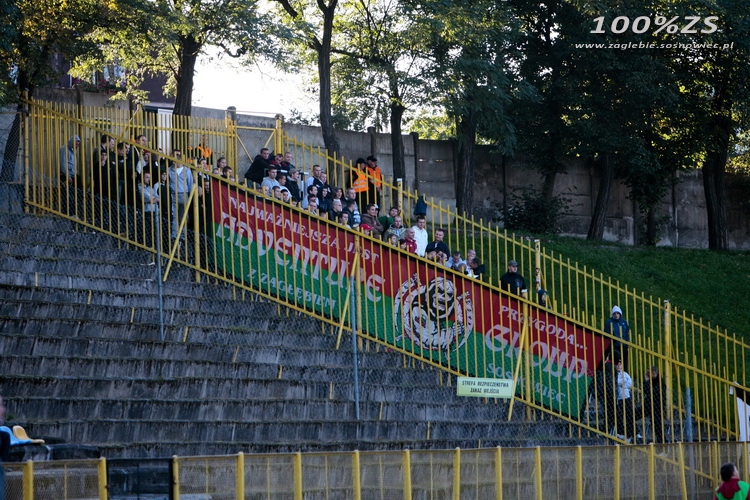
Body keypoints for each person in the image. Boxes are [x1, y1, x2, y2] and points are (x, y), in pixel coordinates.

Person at [637, 366, 666, 444]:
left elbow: (652, 393)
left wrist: (647, 382)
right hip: (649, 405)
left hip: (657, 406)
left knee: (657, 423)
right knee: (634, 415)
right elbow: (646, 391)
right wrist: (646, 381)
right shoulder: (651, 381)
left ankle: (661, 440)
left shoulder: (660, 382)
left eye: (649, 373)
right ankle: (634, 433)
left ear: (654, 373)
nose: (648, 375)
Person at [614, 353, 637, 441]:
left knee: (629, 415)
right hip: (619, 399)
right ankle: (622, 433)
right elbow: (617, 382)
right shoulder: (615, 374)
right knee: (620, 416)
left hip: (627, 398)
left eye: (620, 364)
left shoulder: (625, 373)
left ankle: (633, 433)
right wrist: (623, 382)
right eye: (617, 364)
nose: (619, 366)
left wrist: (623, 385)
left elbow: (630, 382)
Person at [59, 135, 80, 216]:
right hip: (66, 175)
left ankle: (73, 212)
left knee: (75, 194)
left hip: (73, 175)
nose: (77, 145)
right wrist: (67, 176)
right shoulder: (64, 149)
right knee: (67, 195)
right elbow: (63, 164)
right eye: (76, 143)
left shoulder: (72, 150)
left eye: (78, 144)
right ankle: (68, 213)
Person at [604, 305, 631, 370]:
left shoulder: (624, 322)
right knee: (615, 359)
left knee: (624, 359)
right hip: (614, 345)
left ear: (620, 314)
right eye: (615, 314)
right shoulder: (609, 322)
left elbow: (627, 333)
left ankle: (624, 371)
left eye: (617, 313)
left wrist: (627, 342)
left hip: (623, 344)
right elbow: (606, 333)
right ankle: (614, 371)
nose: (616, 315)